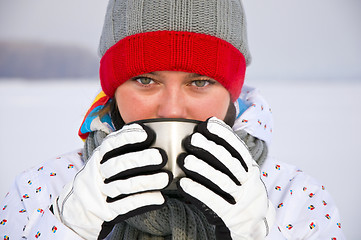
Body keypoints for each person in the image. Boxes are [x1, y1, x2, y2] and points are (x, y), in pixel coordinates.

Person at [0, 0, 345, 239]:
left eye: (200, 82)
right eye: (146, 80)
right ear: (113, 89)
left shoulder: (296, 197)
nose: (172, 110)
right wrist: (69, 229)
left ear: (231, 93)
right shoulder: (44, 191)